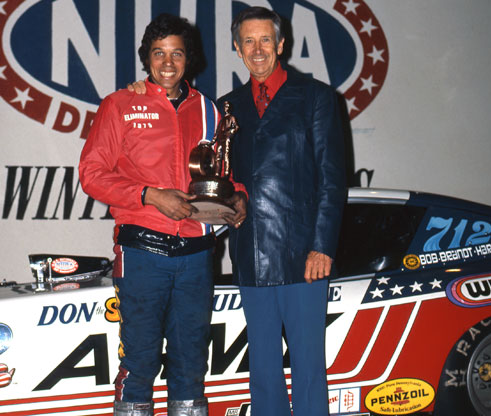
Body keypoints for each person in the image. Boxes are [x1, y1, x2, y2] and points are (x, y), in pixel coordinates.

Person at [79, 14, 246, 416]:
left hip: (196, 253)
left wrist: (238, 196)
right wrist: (150, 195)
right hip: (143, 251)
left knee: (191, 364)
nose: (168, 63)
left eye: (177, 53)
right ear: (146, 58)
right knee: (139, 362)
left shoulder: (208, 109)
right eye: (159, 53)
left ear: (190, 59)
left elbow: (222, 172)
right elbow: (91, 174)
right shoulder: (120, 104)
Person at [216, 7, 346, 416]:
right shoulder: (226, 107)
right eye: (248, 42)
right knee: (264, 372)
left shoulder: (316, 97)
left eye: (265, 40)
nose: (258, 50)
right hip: (250, 252)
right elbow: (220, 178)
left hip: (303, 256)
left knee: (309, 369)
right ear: (237, 49)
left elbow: (332, 180)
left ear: (281, 44)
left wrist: (321, 246)